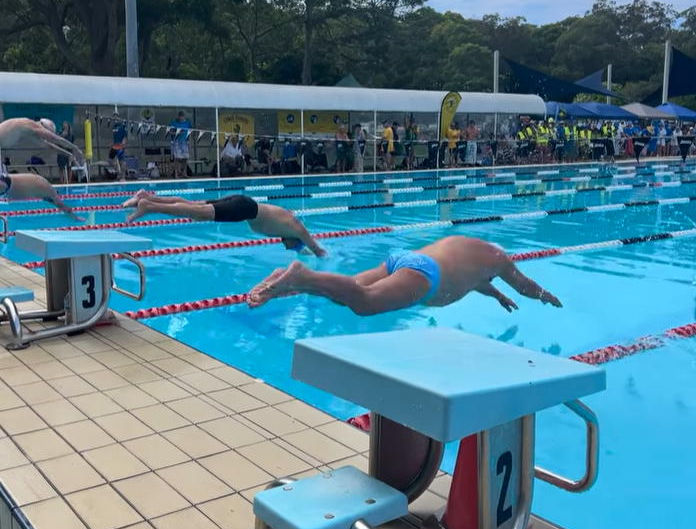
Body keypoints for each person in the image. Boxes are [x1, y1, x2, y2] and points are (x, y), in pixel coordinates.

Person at [247, 235, 562, 314]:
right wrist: (545, 295)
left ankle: (289, 283)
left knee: (349, 293)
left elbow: (474, 278)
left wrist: (494, 293)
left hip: (406, 259)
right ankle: (302, 276)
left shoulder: (476, 253)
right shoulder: (500, 260)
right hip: (426, 276)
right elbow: (524, 285)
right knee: (365, 303)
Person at [122, 191, 327, 256]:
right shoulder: (295, 228)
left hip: (243, 204)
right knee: (195, 211)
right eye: (292, 247)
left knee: (193, 207)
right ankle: (148, 206)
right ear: (295, 240)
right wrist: (323, 255)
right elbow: (314, 245)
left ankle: (145, 197)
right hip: (244, 208)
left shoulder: (285, 228)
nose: (286, 247)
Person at [0, 171, 84, 220]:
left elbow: (63, 207)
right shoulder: (49, 191)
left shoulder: (45, 189)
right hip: (9, 184)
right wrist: (75, 217)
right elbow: (63, 207)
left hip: (10, 183)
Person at [0, 117, 83, 161]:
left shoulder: (31, 132)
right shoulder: (29, 124)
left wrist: (68, 154)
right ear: (43, 127)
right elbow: (56, 139)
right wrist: (75, 148)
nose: (43, 138)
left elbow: (50, 146)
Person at [170, 111, 192, 178]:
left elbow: (190, 133)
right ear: (178, 116)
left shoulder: (187, 123)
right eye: (180, 117)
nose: (181, 118)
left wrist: (190, 143)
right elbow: (169, 132)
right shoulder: (174, 123)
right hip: (176, 142)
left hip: (185, 142)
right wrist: (177, 133)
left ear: (184, 117)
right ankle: (176, 173)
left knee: (185, 158)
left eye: (182, 117)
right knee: (177, 158)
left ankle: (184, 173)